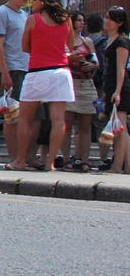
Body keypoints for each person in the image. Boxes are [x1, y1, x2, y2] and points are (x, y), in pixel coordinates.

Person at [16, 0, 74, 172]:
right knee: (59, 119)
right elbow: (69, 46)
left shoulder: (33, 20)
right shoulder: (66, 20)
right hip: (61, 72)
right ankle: (50, 163)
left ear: (42, 1)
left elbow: (25, 47)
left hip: (38, 71)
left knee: (25, 118)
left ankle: (19, 160)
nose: (32, 2)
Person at [0, 0, 32, 169]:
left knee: (27, 115)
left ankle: (26, 156)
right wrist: (5, 74)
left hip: (27, 67)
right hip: (11, 68)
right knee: (12, 115)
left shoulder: (25, 14)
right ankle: (14, 157)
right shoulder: (1, 13)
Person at [63, 9, 99, 171]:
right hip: (70, 82)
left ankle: (85, 161)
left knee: (86, 125)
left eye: (83, 20)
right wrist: (69, 58)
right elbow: (58, 59)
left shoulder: (88, 42)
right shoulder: (65, 41)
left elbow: (96, 62)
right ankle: (66, 160)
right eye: (78, 20)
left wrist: (91, 65)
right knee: (67, 124)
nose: (82, 23)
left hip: (87, 84)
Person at [101, 7, 130, 174]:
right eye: (106, 17)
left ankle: (118, 166)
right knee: (121, 128)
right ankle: (126, 167)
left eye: (111, 19)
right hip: (111, 86)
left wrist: (117, 91)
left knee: (120, 128)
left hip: (120, 86)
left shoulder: (121, 41)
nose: (107, 21)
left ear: (120, 22)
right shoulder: (109, 40)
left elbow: (121, 69)